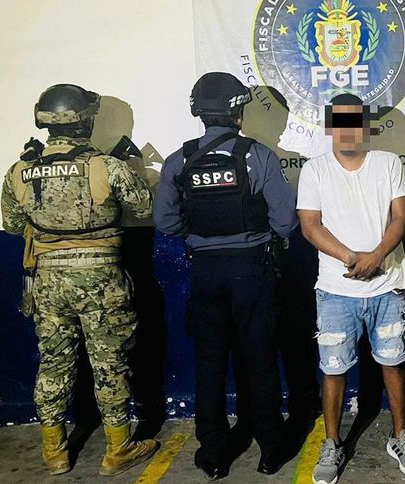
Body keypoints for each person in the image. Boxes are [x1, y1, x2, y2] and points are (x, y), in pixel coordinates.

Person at [0, 83, 158, 476]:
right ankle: (118, 449)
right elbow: (143, 209)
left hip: (49, 281)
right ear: (85, 121)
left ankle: (55, 453)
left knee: (53, 362)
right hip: (101, 278)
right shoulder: (108, 166)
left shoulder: (20, 171)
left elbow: (13, 225)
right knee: (110, 363)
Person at [153, 72, 298, 479]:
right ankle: (271, 450)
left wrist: (201, 234)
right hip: (251, 270)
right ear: (238, 113)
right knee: (261, 359)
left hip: (206, 271)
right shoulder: (259, 156)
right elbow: (285, 222)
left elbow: (165, 221)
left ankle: (215, 454)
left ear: (199, 112)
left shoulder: (179, 160)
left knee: (210, 362)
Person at [298, 94, 405, 484]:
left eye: (355, 122)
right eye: (341, 123)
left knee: (393, 362)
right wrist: (352, 257)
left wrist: (377, 256)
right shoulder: (315, 170)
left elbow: (400, 217)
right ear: (329, 128)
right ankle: (333, 443)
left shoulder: (388, 164)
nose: (348, 131)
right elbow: (310, 225)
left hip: (388, 286)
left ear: (366, 126)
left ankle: (400, 436)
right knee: (333, 369)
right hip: (336, 290)